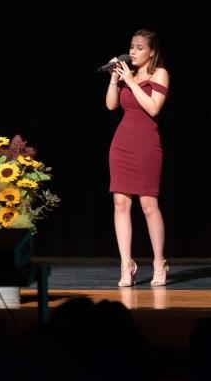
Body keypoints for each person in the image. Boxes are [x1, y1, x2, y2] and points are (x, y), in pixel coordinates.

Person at [105, 29, 170, 287]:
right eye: (131, 46)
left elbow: (153, 108)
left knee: (148, 205)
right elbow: (111, 105)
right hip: (121, 144)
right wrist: (114, 78)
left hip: (146, 144)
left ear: (152, 52)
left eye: (139, 47)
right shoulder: (126, 74)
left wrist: (131, 82)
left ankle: (159, 262)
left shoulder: (159, 73)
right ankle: (126, 265)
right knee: (120, 204)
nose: (133, 51)